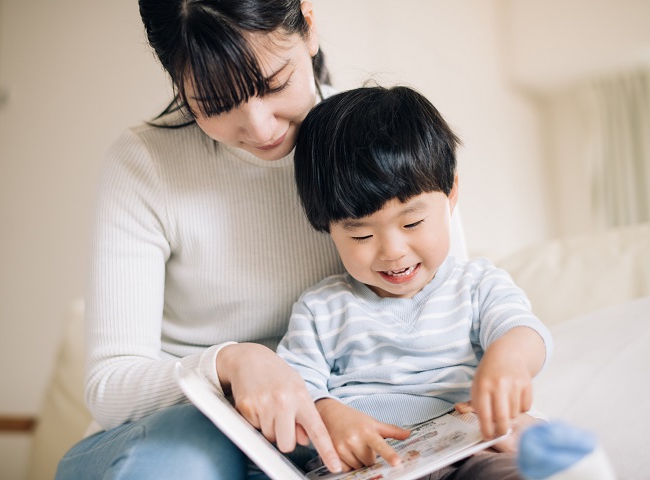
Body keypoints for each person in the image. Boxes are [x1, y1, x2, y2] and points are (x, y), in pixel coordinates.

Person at [55, 1, 466, 478]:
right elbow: (109, 387)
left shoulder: (388, 142)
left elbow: (450, 313)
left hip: (323, 439)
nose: (260, 128)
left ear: (308, 26)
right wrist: (228, 365)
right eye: (216, 104)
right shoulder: (145, 164)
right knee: (186, 457)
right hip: (172, 439)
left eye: (274, 84)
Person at [276, 85, 553, 478]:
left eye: (412, 223)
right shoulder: (322, 308)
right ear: (327, 227)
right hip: (369, 465)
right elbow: (292, 388)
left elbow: (523, 330)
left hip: (470, 450)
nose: (392, 251)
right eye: (361, 236)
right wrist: (329, 414)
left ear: (451, 193)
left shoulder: (476, 283)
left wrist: (508, 359)